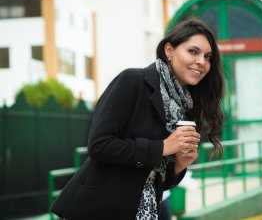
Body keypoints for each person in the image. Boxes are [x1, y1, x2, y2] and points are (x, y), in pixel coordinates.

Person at [50, 18, 224, 219]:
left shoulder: (185, 105)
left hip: (146, 209)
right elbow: (99, 145)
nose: (202, 61)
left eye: (208, 56)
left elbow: (152, 177)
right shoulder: (132, 81)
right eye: (193, 51)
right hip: (100, 210)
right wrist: (163, 147)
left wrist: (178, 166)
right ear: (169, 50)